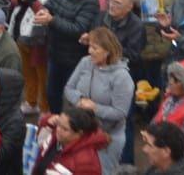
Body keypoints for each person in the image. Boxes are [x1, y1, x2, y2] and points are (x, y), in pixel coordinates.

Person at [62, 27, 134, 171]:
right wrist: (80, 101)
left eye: (95, 48)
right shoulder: (85, 62)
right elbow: (68, 88)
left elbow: (120, 112)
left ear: (107, 51)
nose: (90, 51)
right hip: (81, 132)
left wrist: (95, 108)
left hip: (108, 137)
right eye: (90, 46)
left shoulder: (122, 77)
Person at [31, 105, 109, 175]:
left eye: (65, 129)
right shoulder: (57, 137)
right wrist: (47, 124)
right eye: (58, 124)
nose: (58, 130)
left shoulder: (86, 163)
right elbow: (40, 143)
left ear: (79, 133)